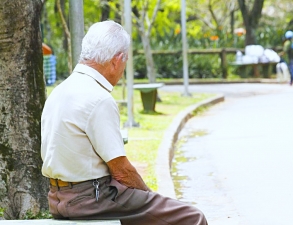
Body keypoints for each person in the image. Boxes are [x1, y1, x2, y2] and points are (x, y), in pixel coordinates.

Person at [41, 21, 208, 225]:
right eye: (125, 61)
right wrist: (150, 196)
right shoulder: (98, 98)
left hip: (57, 198)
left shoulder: (60, 91)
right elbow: (121, 171)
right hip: (92, 199)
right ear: (116, 61)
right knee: (192, 218)